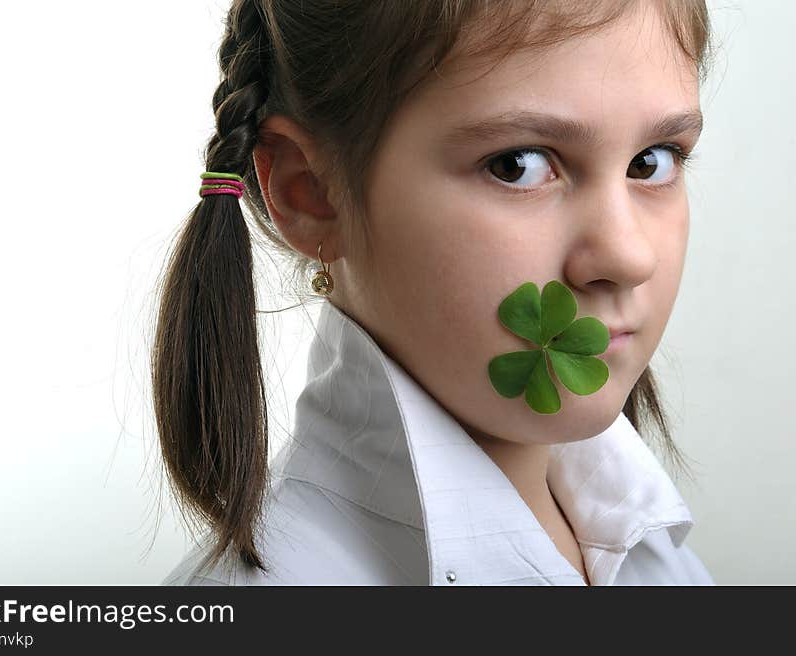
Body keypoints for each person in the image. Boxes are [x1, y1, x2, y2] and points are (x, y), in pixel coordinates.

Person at [155, 0, 717, 586]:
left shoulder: (660, 555)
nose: (629, 257)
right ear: (310, 193)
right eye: (517, 164)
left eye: (653, 162)